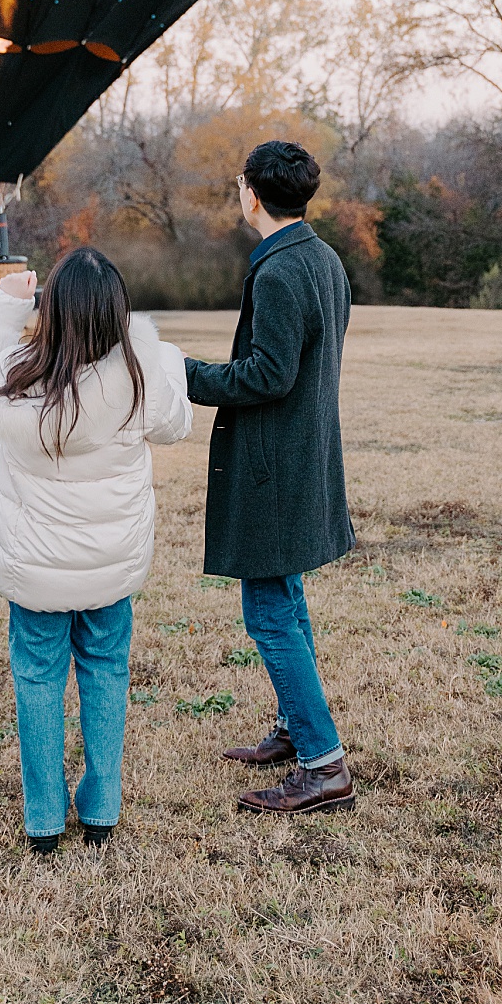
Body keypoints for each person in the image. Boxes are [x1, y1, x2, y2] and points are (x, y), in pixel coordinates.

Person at [0, 248, 191, 851]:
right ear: (119, 313)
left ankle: (43, 819)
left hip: (34, 569)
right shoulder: (140, 379)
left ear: (51, 310)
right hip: (112, 566)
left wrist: (7, 304)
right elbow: (176, 423)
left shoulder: (17, 377)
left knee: (37, 681)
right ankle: (101, 810)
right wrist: (149, 346)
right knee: (107, 672)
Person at [186, 139, 358, 817]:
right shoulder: (322, 257)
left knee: (269, 611)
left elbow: (267, 375)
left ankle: (324, 765)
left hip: (276, 471)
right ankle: (294, 728)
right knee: (285, 599)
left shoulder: (282, 271)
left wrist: (184, 373)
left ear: (251, 194)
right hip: (299, 459)